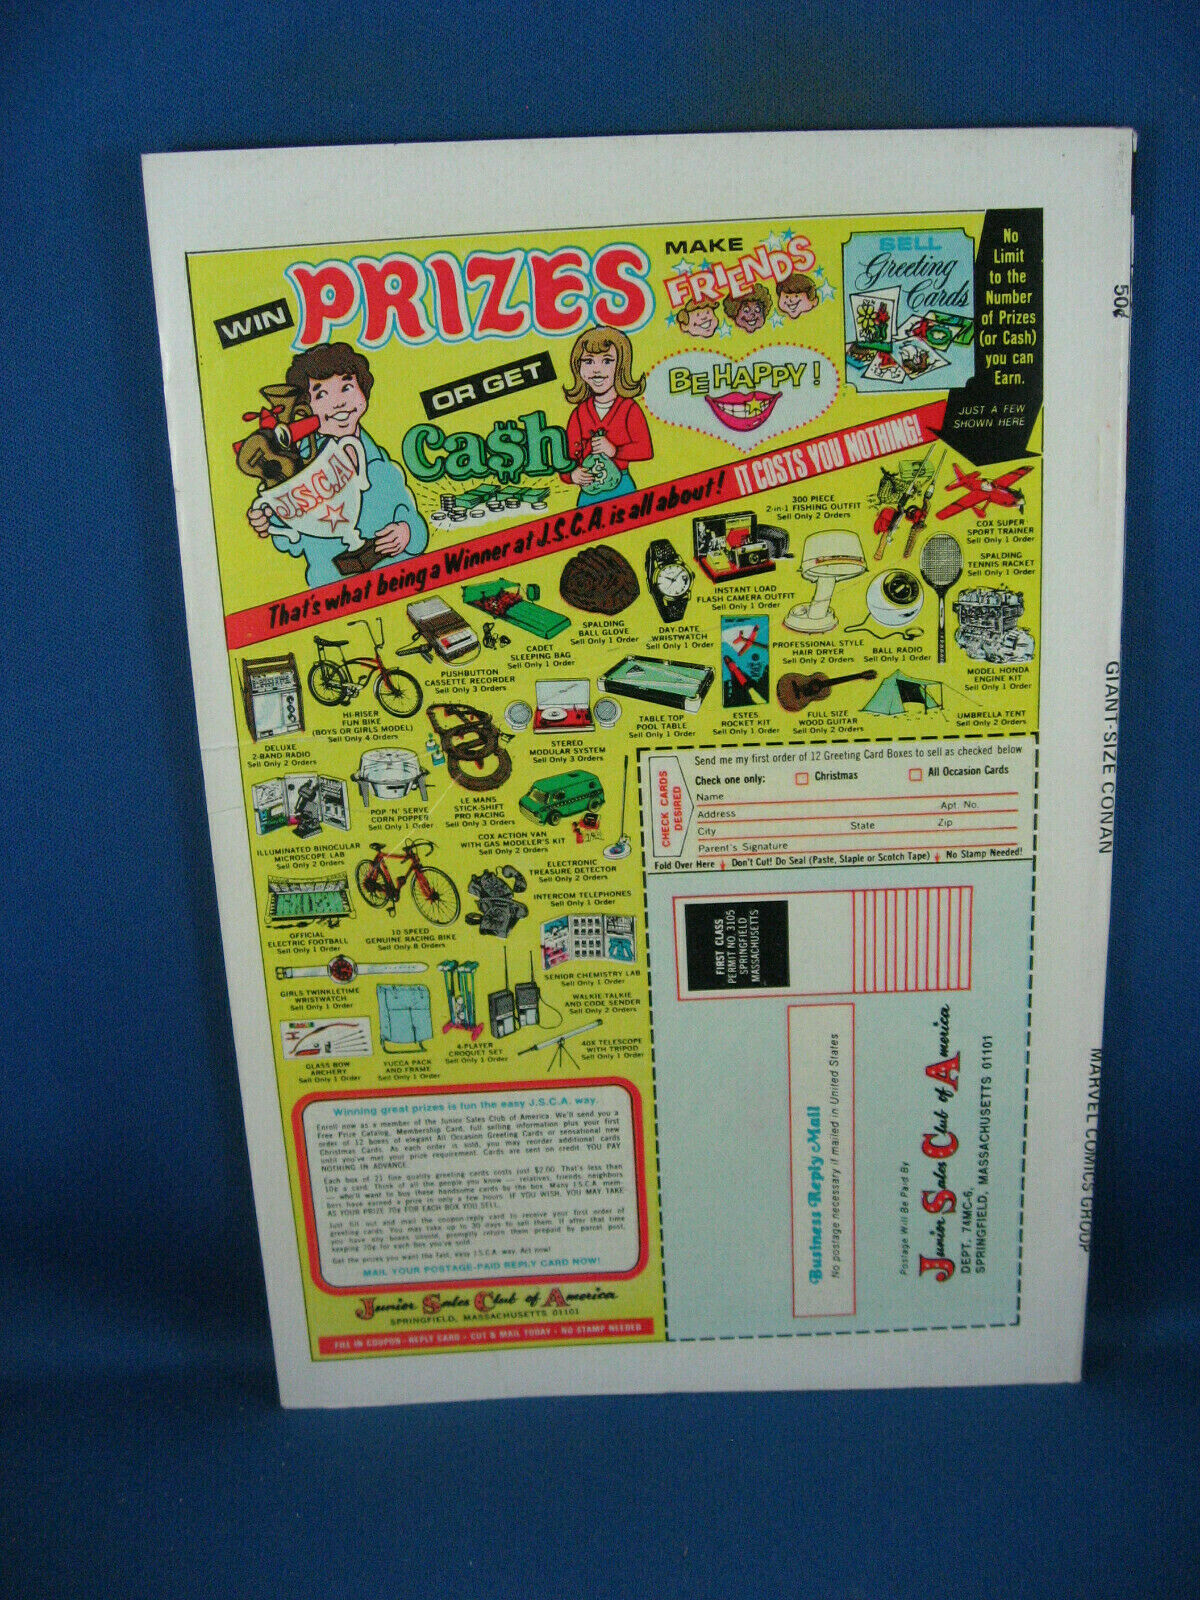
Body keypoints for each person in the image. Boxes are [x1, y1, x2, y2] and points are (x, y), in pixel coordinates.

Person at [247, 343, 427, 588]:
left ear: (363, 391)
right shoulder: (294, 469)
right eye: (322, 394)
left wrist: (406, 533)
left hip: (399, 580)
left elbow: (414, 522)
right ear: (304, 408)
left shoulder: (379, 463)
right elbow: (293, 542)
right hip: (335, 592)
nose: (339, 403)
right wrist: (269, 521)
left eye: (347, 387)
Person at [560, 328, 653, 505]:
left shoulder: (629, 408)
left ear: (621, 366)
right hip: (589, 489)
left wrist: (615, 451)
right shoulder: (579, 413)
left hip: (622, 485)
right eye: (588, 361)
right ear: (578, 367)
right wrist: (571, 475)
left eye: (607, 361)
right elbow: (567, 456)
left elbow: (645, 449)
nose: (597, 370)